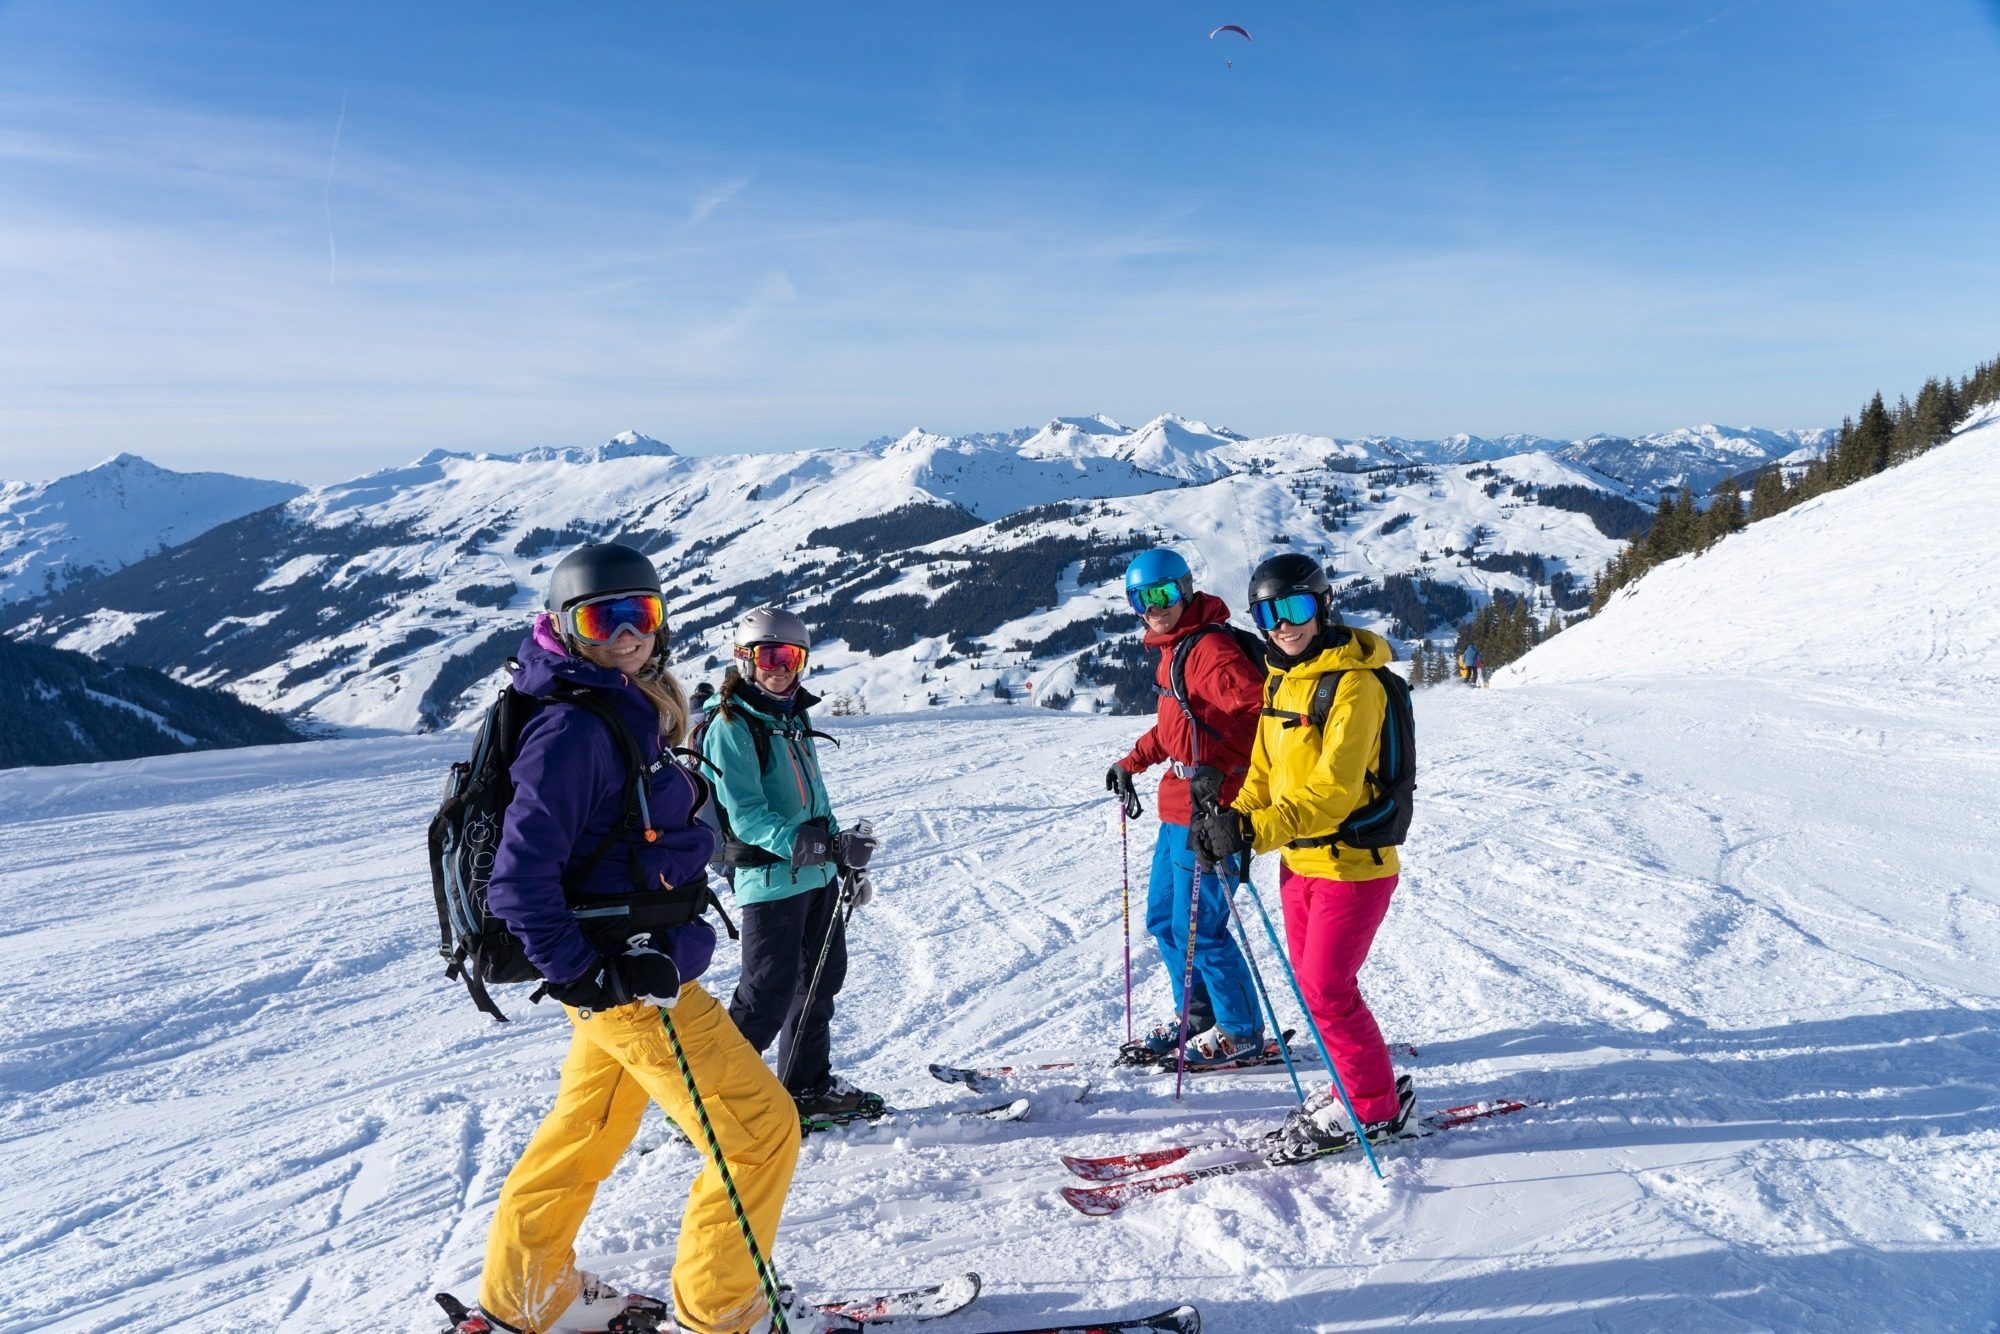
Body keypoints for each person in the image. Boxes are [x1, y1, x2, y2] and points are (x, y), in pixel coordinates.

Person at [465, 543, 803, 1334]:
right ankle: (724, 1313)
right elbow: (517, 882)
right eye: (601, 617)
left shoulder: (607, 705)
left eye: (640, 614)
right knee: (759, 1132)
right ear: (564, 626)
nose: (625, 633)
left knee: (585, 1130)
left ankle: (528, 1291)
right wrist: (587, 976)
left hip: (627, 973)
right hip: (629, 981)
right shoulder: (576, 730)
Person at [1193, 552, 1417, 1159]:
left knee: (1328, 990)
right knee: (1316, 987)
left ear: (1322, 604)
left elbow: (1333, 793)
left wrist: (1252, 833)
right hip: (1299, 863)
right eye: (1268, 612)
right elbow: (1265, 772)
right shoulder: (1278, 680)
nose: (1283, 624)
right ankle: (1356, 1081)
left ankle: (1374, 1111)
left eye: (1294, 606)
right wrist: (1232, 818)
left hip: (1353, 865)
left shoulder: (1355, 685)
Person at [702, 606, 880, 1119]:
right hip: (770, 880)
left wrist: (841, 853)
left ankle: (805, 1087)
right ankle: (710, 1101)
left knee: (821, 980)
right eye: (768, 655)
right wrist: (812, 846)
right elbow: (748, 815)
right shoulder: (732, 725)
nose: (780, 666)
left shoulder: (790, 716)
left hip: (816, 874)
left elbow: (814, 801)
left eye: (791, 655)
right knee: (765, 996)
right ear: (744, 659)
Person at [1105, 548, 1267, 1067]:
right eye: (1143, 599)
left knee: (1203, 929)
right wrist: (1132, 762)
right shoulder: (1175, 650)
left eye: (1165, 594)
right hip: (1177, 810)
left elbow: (1260, 712)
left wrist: (1219, 769)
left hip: (1214, 811)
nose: (1156, 607)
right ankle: (1197, 1019)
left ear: (1186, 589)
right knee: (1164, 922)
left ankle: (1240, 1031)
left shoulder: (1211, 650)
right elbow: (1174, 727)